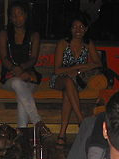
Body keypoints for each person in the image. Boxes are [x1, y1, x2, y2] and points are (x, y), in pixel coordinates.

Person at [0, 1, 51, 138]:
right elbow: (3, 57)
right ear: (10, 17)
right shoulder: (4, 34)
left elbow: (33, 58)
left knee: (22, 94)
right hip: (9, 77)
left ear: (25, 15)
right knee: (17, 83)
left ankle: (20, 135)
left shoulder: (33, 35)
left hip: (29, 75)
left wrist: (22, 68)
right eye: (14, 15)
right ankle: (37, 122)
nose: (17, 18)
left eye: (20, 14)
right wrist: (15, 69)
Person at [49, 14, 102, 149]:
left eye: (81, 27)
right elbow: (57, 70)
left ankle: (62, 134)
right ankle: (80, 118)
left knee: (68, 90)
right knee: (67, 82)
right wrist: (79, 67)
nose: (78, 30)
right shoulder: (63, 43)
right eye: (74, 27)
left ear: (86, 28)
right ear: (70, 29)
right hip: (59, 79)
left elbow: (98, 63)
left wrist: (78, 71)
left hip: (76, 80)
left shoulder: (88, 44)